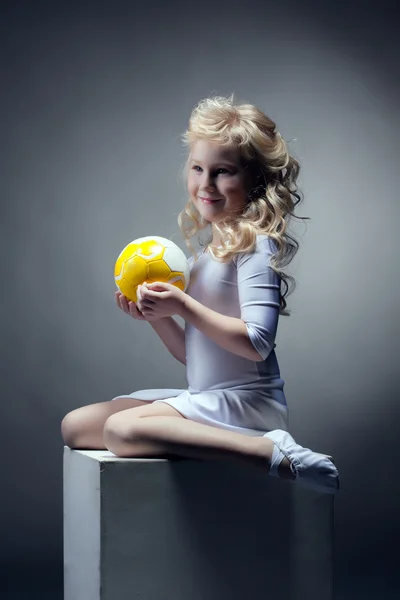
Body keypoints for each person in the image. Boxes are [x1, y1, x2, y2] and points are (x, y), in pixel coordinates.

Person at [61, 95, 339, 494]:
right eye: (197, 168)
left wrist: (184, 305)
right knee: (76, 426)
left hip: (246, 403)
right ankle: (215, 440)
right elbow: (195, 356)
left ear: (254, 180)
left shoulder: (256, 246)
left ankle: (269, 452)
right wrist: (158, 317)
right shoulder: (205, 255)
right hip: (207, 395)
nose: (205, 184)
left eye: (222, 172)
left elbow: (257, 344)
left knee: (121, 431)